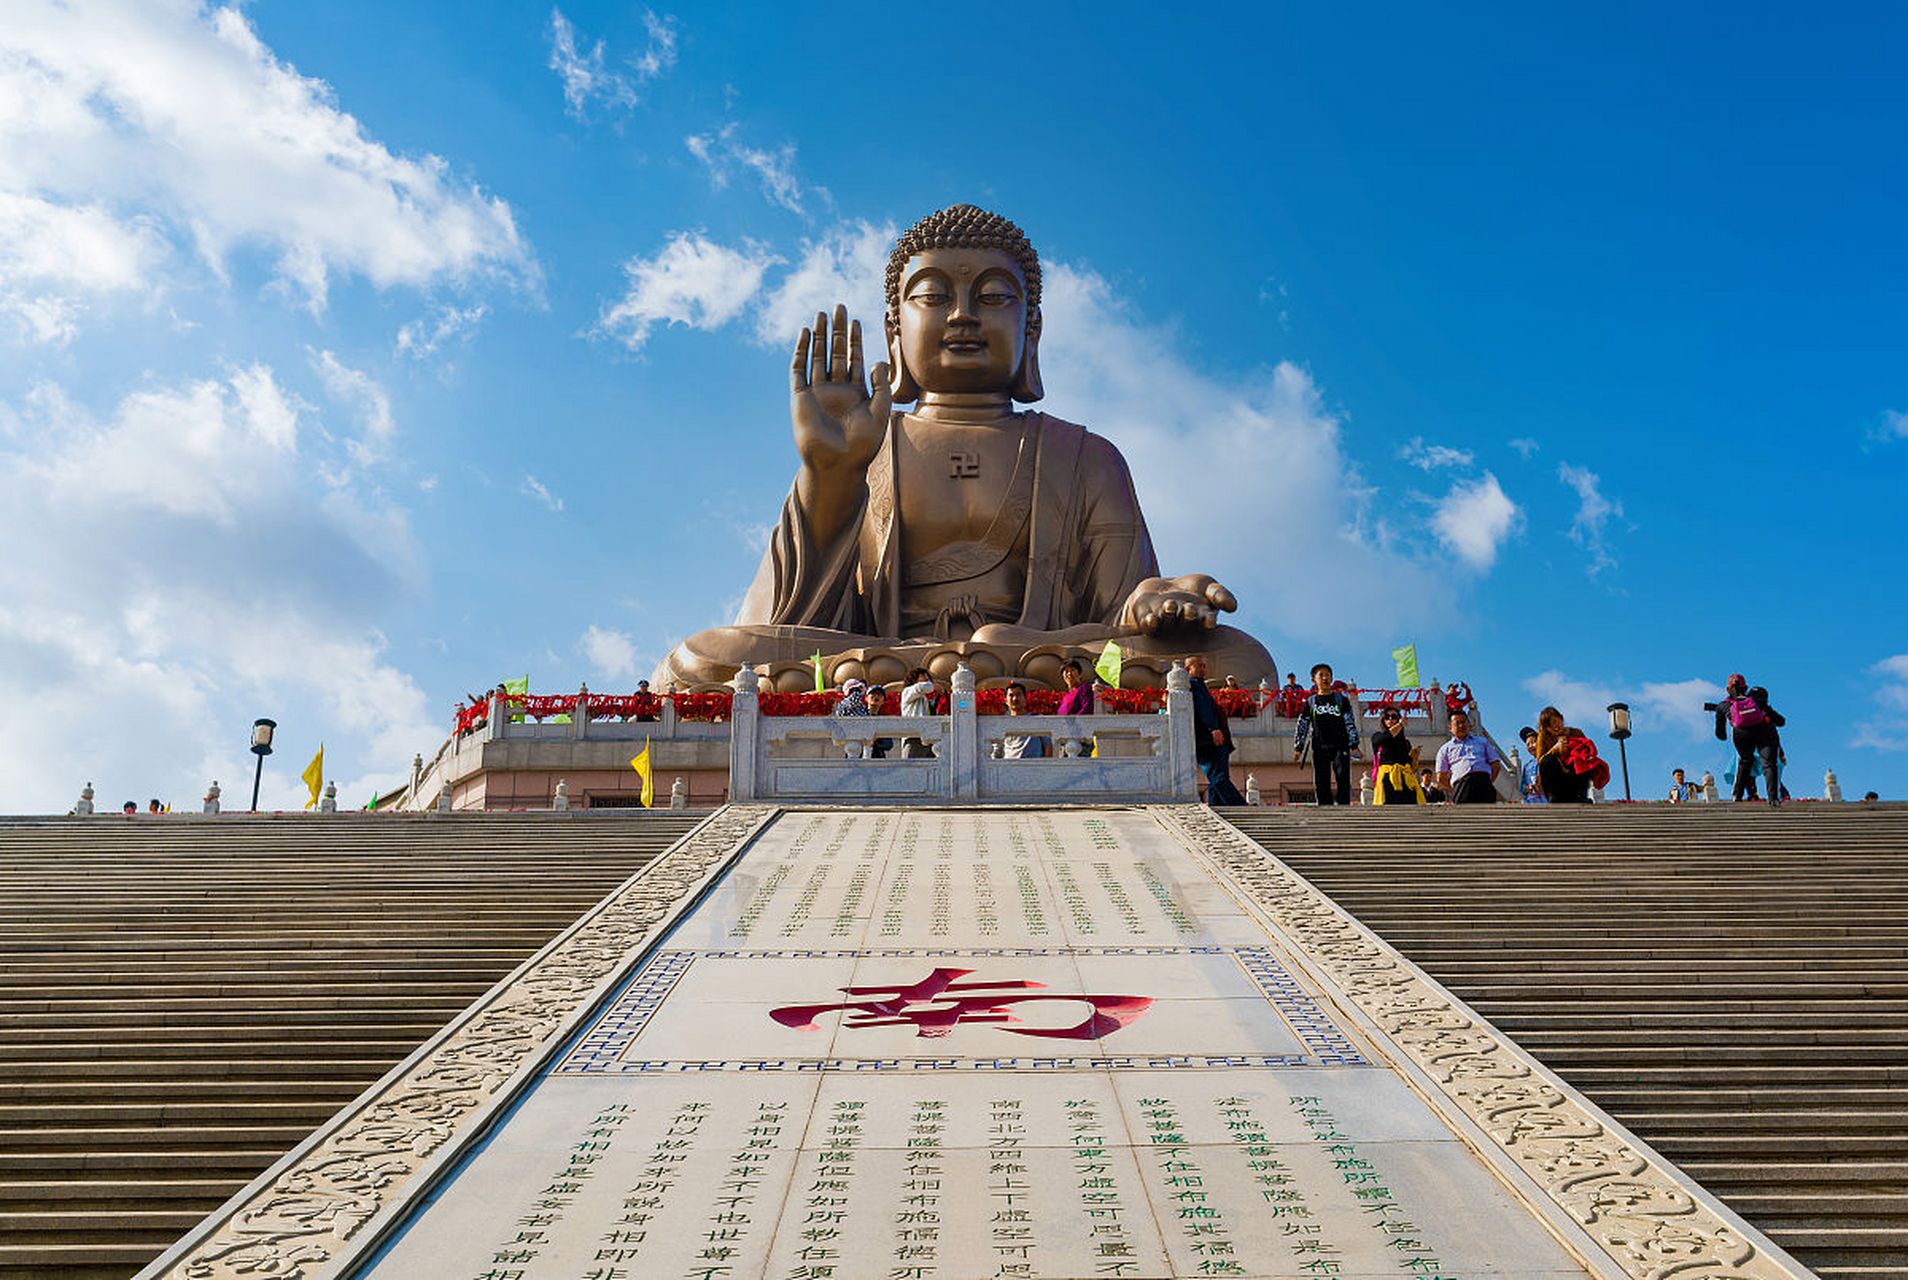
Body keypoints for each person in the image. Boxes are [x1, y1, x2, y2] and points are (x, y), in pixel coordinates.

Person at [1292, 663, 1360, 806]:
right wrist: (1299, 747)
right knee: (1321, 779)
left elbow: (1349, 722)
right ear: (1314, 680)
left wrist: (1354, 744)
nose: (1325, 678)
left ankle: (1343, 807)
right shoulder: (1311, 702)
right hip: (1319, 745)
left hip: (1340, 745)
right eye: (1321, 675)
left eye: (1328, 675)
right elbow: (1303, 724)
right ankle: (1324, 807)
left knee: (1343, 776)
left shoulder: (1341, 700)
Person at [1714, 674, 1784, 805]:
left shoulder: (1723, 704)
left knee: (1745, 761)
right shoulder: (1756, 700)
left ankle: (1737, 796)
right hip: (1765, 733)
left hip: (1741, 735)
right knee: (1769, 764)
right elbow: (1780, 721)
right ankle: (1773, 798)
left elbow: (1720, 734)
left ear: (1727, 689)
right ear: (1745, 687)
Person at [1186, 655, 1246, 805]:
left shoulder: (1201, 685)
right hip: (1207, 739)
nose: (1203, 669)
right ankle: (1239, 806)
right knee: (1218, 777)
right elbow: (1203, 709)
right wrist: (1213, 728)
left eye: (1204, 666)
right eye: (1198, 666)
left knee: (1219, 777)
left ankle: (1217, 808)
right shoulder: (1192, 685)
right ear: (1188, 668)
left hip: (1217, 738)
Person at [1535, 705, 1605, 803]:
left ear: (1561, 718)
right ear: (1546, 728)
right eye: (1550, 725)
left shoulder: (1576, 732)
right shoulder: (1543, 738)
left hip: (1575, 776)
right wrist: (1554, 749)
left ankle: (1581, 795)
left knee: (1583, 759)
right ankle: (1553, 797)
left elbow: (1588, 749)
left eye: (1556, 721)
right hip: (1557, 781)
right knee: (1547, 760)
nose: (1555, 727)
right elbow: (1540, 760)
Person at [1435, 710, 1503, 804]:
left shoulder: (1482, 742)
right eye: (1457, 723)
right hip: (1461, 786)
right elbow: (1440, 777)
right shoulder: (1445, 749)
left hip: (1484, 783)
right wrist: (1454, 789)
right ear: (1450, 727)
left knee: (1487, 816)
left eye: (1464, 722)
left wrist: (1489, 781)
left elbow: (1496, 764)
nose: (1461, 726)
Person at [1369, 707, 1426, 804]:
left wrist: (1414, 758)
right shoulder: (1377, 736)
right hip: (1387, 778)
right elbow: (1388, 737)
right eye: (1387, 717)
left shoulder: (1405, 743)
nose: (1390, 719)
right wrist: (1400, 725)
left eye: (1394, 717)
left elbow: (1412, 765)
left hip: (1406, 778)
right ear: (1383, 721)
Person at [998, 681, 1050, 758]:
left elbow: (1048, 745)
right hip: (1009, 767)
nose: (1015, 699)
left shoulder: (1037, 719)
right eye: (1011, 695)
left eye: (1018, 695)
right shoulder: (1002, 723)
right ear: (1005, 700)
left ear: (1025, 698)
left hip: (1033, 767)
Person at [898, 667, 938, 758]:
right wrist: (933, 686)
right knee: (911, 770)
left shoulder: (927, 699)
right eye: (923, 679)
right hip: (914, 738)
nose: (927, 681)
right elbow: (921, 688)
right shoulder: (908, 691)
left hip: (930, 739)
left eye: (927, 679)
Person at [1518, 727, 1546, 804]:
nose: (1531, 746)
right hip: (1532, 803)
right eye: (1528, 744)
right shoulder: (1527, 766)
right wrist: (1527, 788)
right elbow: (1522, 787)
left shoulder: (1547, 760)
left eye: (1534, 742)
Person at [865, 684, 894, 758]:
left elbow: (888, 744)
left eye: (879, 695)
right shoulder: (860, 716)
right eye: (873, 694)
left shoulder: (883, 721)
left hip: (877, 756)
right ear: (866, 698)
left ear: (883, 701)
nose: (876, 696)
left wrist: (876, 741)